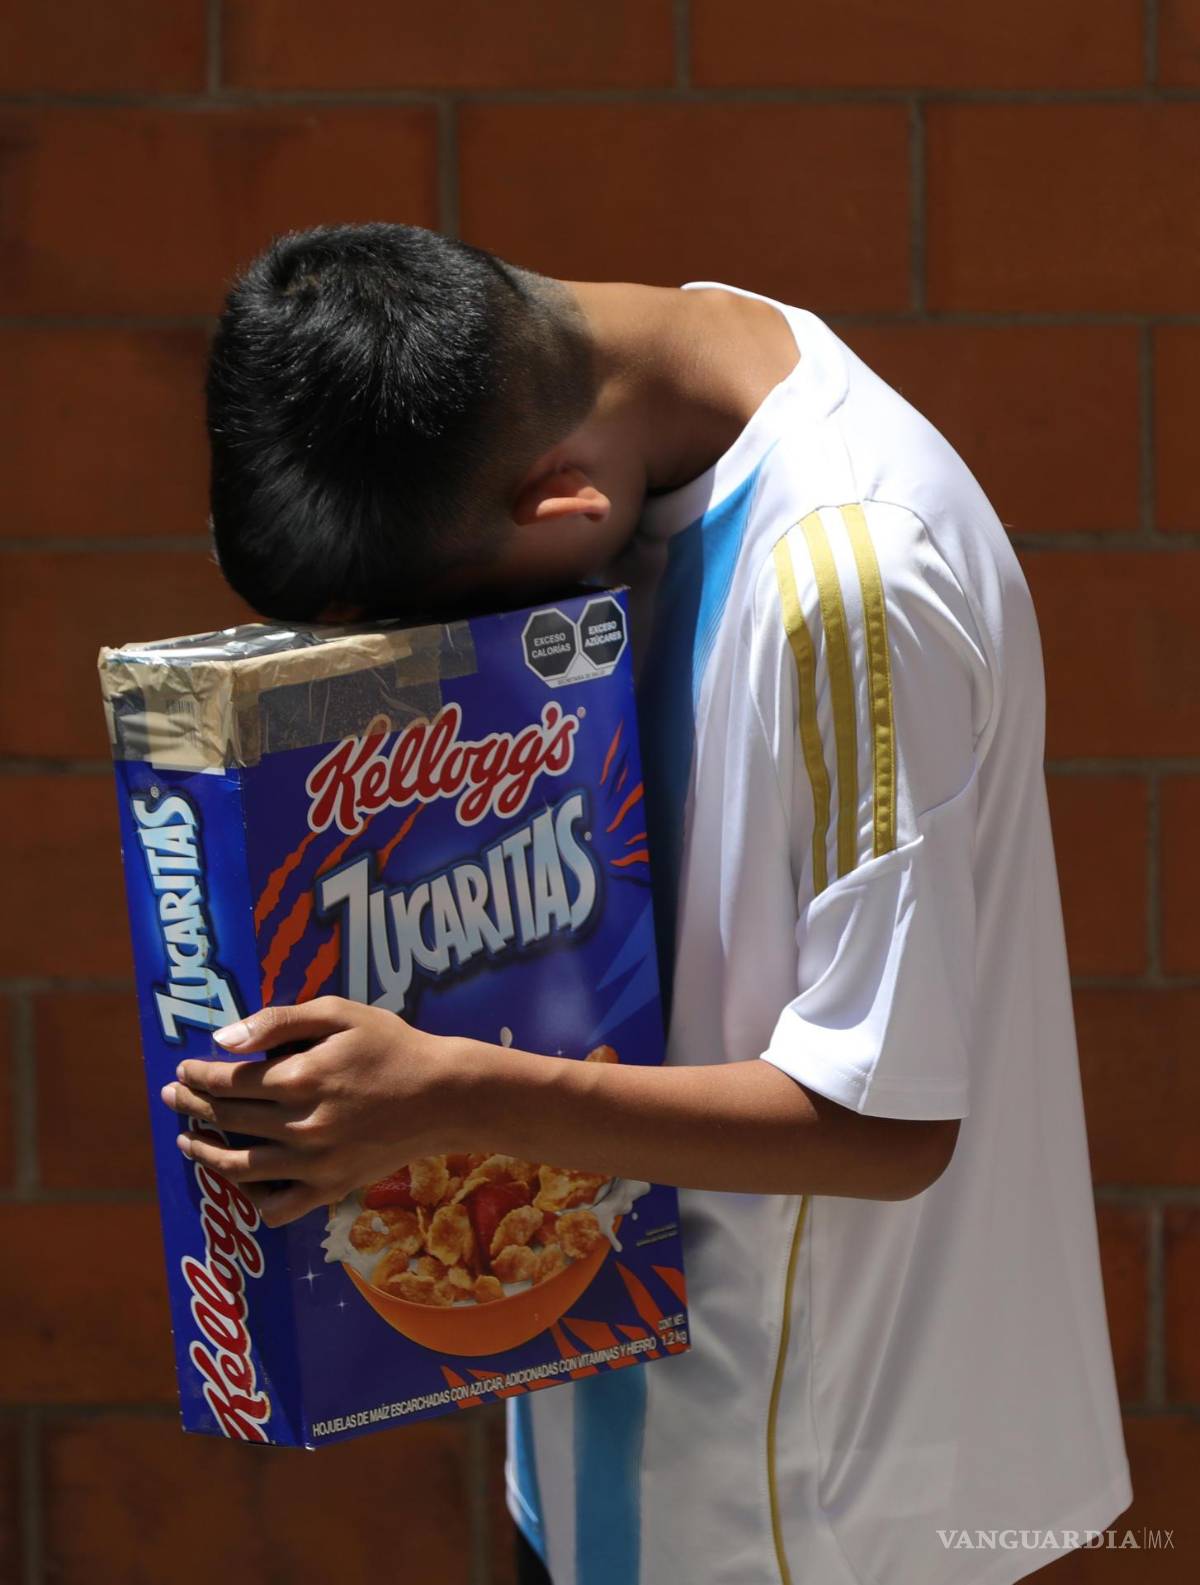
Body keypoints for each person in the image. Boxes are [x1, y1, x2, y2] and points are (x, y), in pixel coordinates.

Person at [164, 223, 1131, 1585]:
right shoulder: (652, 412)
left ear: (554, 505)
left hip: (806, 1506)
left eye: (444, 625)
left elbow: (888, 1112)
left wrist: (445, 1092)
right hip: (596, 1441)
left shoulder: (850, 579)